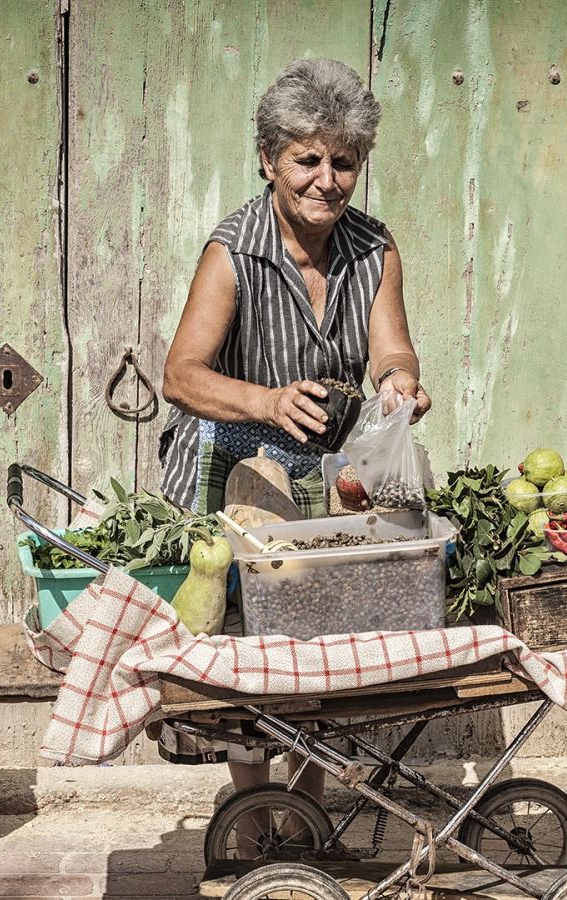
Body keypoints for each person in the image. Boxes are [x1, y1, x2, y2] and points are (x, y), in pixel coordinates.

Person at [159, 58, 430, 803]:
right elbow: (180, 375)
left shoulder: (374, 248)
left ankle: (307, 802)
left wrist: (398, 381)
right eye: (307, 159)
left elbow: (392, 346)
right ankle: (251, 807)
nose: (327, 179)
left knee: (327, 645)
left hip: (326, 477)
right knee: (247, 654)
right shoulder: (234, 250)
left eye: (344, 162)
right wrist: (268, 401)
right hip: (234, 470)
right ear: (269, 161)